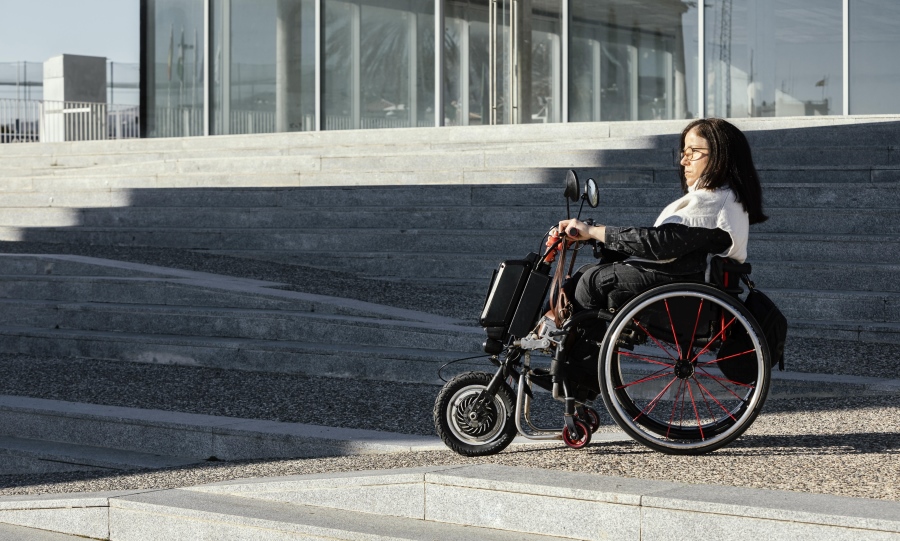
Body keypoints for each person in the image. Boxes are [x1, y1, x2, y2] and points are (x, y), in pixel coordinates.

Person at [554, 117, 767, 316]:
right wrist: (594, 235)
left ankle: (573, 354)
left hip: (686, 292)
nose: (684, 160)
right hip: (689, 286)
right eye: (683, 152)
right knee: (586, 272)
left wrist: (593, 231)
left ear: (721, 155)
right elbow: (666, 242)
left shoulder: (715, 201)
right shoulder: (725, 199)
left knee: (594, 280)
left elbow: (660, 244)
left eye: (693, 152)